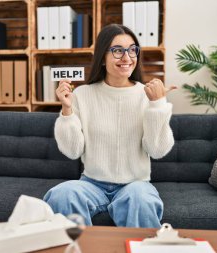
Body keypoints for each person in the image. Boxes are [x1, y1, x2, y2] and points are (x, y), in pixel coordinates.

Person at [43, 24, 175, 228]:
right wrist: (67, 111)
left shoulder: (147, 95)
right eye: (117, 50)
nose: (127, 57)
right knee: (63, 195)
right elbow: (72, 151)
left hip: (135, 185)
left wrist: (157, 105)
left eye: (132, 50)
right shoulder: (82, 94)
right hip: (92, 184)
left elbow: (157, 151)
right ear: (102, 57)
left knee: (140, 198)